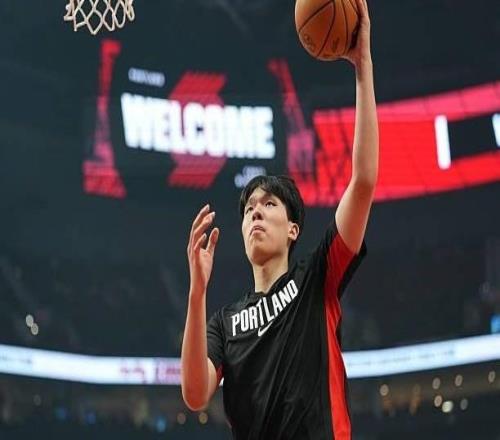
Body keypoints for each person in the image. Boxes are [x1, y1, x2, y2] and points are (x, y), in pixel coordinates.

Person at [181, 0, 378, 437]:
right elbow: (195, 394)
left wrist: (362, 66)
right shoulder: (225, 323)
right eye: (250, 207)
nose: (255, 210)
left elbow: (363, 181)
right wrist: (197, 292)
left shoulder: (317, 278)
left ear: (293, 229)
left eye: (269, 204)